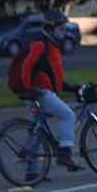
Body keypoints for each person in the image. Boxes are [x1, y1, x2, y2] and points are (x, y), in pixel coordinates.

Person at [9, 10, 82, 171]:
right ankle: (64, 154)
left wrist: (71, 88)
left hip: (41, 91)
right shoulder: (41, 44)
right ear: (50, 29)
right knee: (68, 116)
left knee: (37, 132)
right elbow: (27, 66)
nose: (64, 34)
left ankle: (32, 173)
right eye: (61, 29)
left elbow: (53, 77)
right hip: (40, 92)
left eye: (65, 30)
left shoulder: (52, 46)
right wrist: (28, 87)